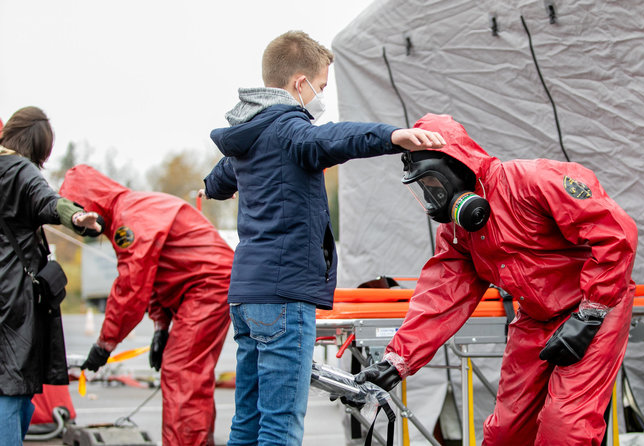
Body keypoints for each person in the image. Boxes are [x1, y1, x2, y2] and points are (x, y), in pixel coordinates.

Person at [200, 30, 446, 446]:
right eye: (321, 87)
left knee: (248, 419)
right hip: (282, 294)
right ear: (300, 83)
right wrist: (392, 136)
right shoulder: (288, 130)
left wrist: (208, 186)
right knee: (280, 425)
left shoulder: (248, 136)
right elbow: (330, 138)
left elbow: (220, 180)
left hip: (245, 295)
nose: (321, 98)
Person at [353, 113, 638, 445]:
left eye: (433, 185)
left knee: (565, 429)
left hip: (596, 307)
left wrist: (590, 313)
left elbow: (616, 233)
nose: (432, 198)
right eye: (424, 189)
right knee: (506, 432)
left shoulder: (534, 181)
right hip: (536, 314)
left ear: (454, 168)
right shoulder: (460, 232)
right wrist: (396, 362)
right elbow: (442, 297)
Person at [60, 164, 234, 446]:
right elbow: (155, 274)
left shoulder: (128, 220)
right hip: (205, 285)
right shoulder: (133, 209)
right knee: (185, 373)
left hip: (208, 287)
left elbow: (132, 286)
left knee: (182, 372)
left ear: (88, 203)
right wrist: (160, 328)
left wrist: (105, 345)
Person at [0, 106, 102, 445]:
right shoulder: (19, 169)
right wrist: (75, 217)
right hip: (13, 301)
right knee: (13, 395)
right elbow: (47, 200)